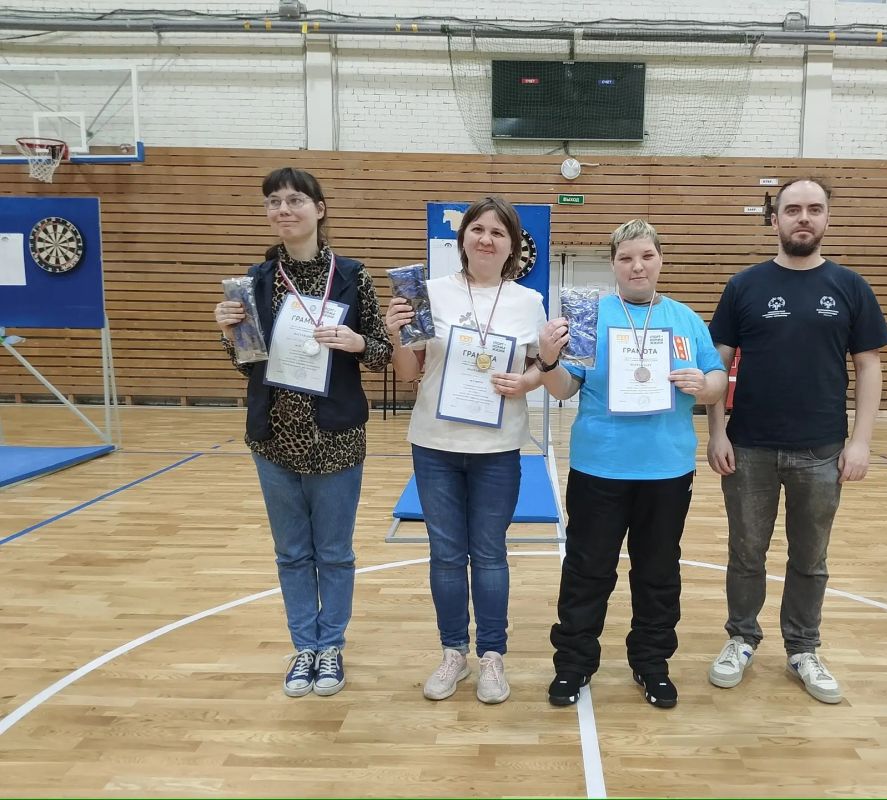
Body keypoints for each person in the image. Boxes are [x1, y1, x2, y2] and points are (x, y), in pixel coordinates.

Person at [706, 177, 887, 704]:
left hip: (822, 449)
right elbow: (716, 366)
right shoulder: (744, 286)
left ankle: (803, 648)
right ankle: (742, 638)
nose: (803, 218)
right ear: (775, 220)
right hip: (749, 447)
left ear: (827, 218)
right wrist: (716, 432)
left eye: (814, 209)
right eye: (792, 209)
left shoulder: (851, 287)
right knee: (746, 553)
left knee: (811, 558)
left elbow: (870, 367)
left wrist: (861, 441)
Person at [213, 167, 391, 697]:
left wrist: (357, 342)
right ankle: (304, 648)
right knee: (291, 553)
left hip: (336, 436)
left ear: (319, 208)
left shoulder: (352, 275)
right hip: (273, 437)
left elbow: (382, 353)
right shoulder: (255, 281)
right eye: (274, 202)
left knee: (334, 552)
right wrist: (229, 333)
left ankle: (330, 646)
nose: (283, 209)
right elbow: (247, 362)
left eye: (294, 200)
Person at [538, 219, 727, 709]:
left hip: (666, 470)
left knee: (658, 572)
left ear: (660, 260)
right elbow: (565, 389)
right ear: (613, 265)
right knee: (587, 570)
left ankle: (652, 663)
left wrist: (704, 386)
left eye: (646, 256)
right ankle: (574, 664)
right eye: (625, 258)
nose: (637, 266)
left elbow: (717, 382)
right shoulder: (589, 315)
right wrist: (548, 362)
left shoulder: (685, 319)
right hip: (599, 467)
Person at [384, 195, 547, 704]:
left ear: (513, 246)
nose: (486, 239)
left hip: (498, 447)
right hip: (435, 444)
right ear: (463, 239)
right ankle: (453, 651)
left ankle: (492, 656)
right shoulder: (429, 293)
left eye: (498, 232)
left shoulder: (529, 302)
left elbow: (541, 366)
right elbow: (408, 373)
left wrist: (525, 382)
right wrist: (395, 335)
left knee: (491, 553)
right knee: (447, 554)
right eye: (478, 229)